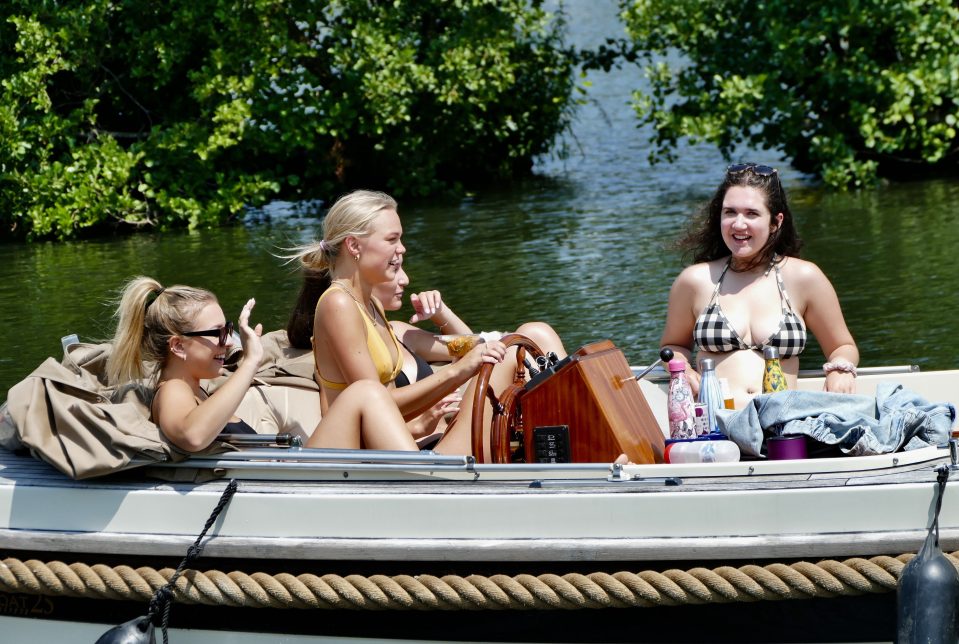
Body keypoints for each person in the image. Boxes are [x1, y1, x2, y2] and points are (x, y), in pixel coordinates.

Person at [288, 189, 551, 460]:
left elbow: (389, 403)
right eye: (392, 239)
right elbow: (375, 403)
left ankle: (574, 439)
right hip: (367, 461)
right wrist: (459, 371)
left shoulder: (370, 305)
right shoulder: (337, 304)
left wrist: (424, 421)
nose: (402, 249)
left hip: (400, 446)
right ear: (354, 246)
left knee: (530, 336)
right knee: (507, 354)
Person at [106, 276, 420, 453]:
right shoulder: (172, 390)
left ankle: (425, 474)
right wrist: (251, 362)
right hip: (287, 492)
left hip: (285, 479)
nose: (228, 343)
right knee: (363, 392)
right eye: (217, 334)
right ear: (178, 346)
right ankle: (424, 485)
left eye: (227, 331)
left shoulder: (195, 391)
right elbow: (193, 437)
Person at [659, 163, 859, 410]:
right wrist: (682, 371)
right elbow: (673, 346)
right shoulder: (694, 280)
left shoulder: (805, 277)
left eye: (751, 214)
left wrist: (840, 369)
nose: (738, 224)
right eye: (730, 212)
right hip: (716, 422)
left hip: (783, 422)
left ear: (776, 222)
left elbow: (842, 346)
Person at [371, 265, 569, 441]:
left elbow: (473, 346)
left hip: (456, 428)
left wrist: (441, 314)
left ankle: (578, 420)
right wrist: (419, 425)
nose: (405, 279)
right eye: (394, 268)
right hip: (433, 444)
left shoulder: (400, 333)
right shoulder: (356, 343)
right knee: (511, 352)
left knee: (537, 333)